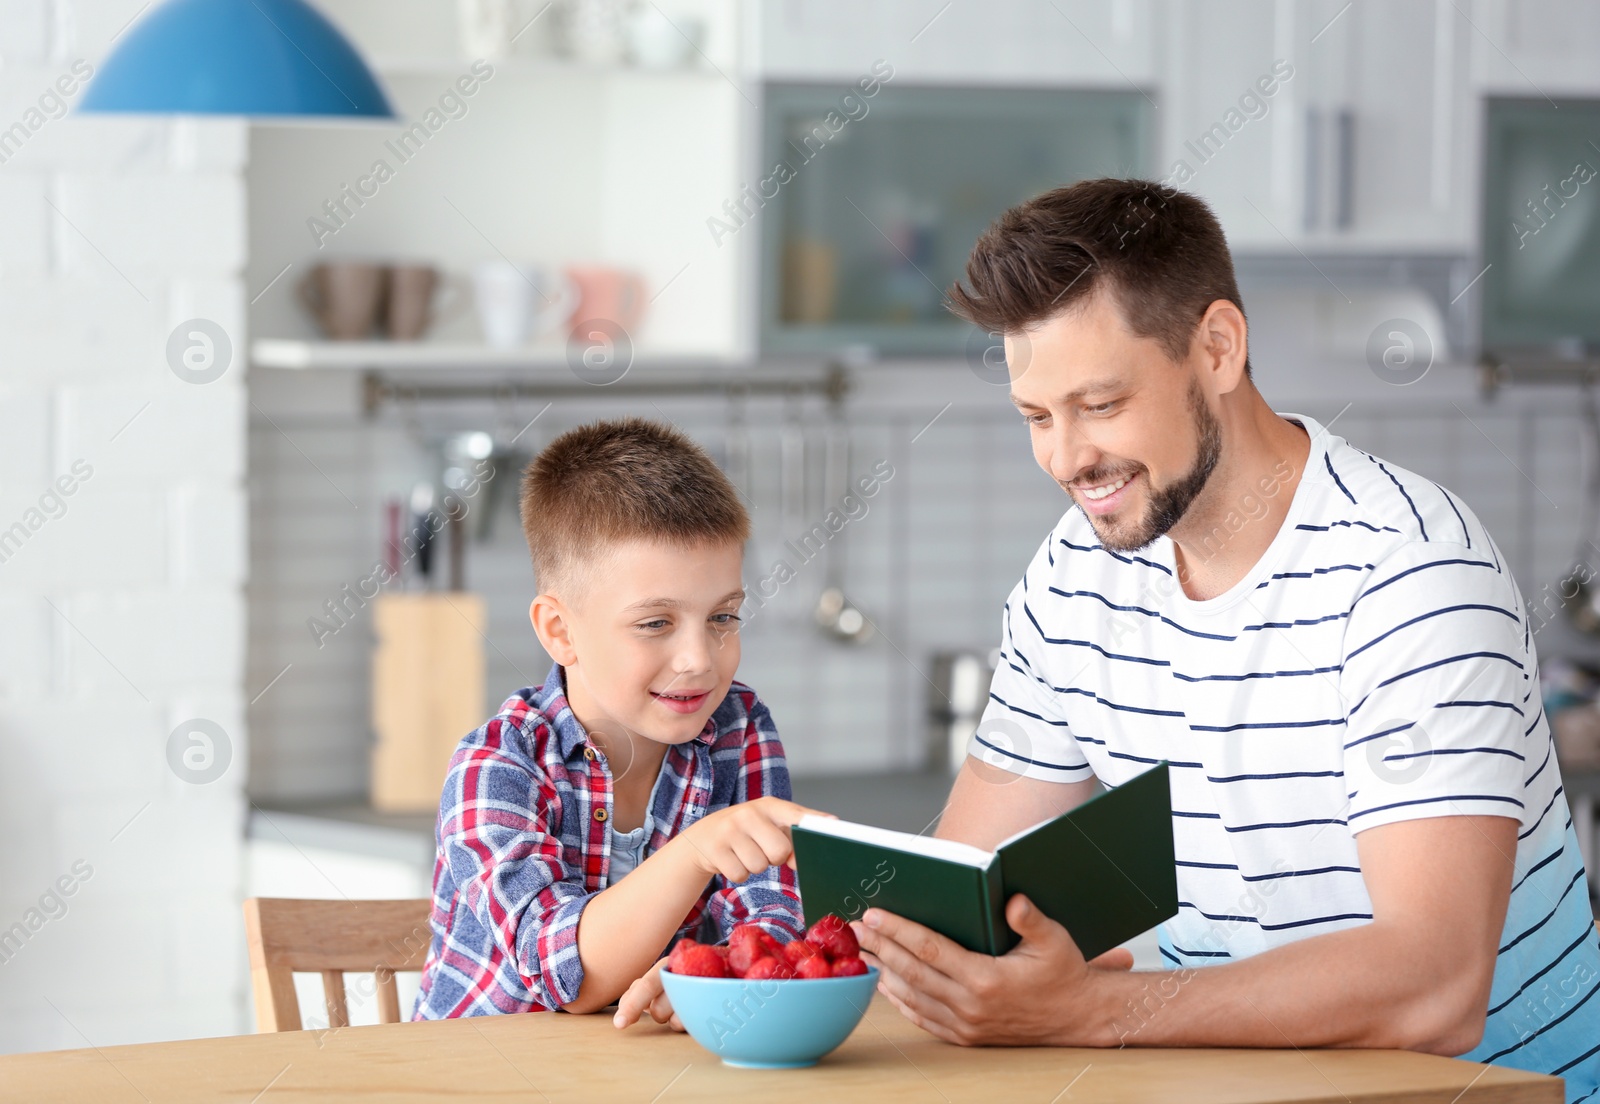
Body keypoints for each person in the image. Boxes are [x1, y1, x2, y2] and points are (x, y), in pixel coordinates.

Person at [852, 178, 1600, 1102]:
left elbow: (1438, 988)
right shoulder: (1074, 575)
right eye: (1036, 417)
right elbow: (961, 893)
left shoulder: (1406, 572)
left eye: (1101, 404)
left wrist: (1090, 1013)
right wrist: (745, 977)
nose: (1066, 459)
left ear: (1217, 348)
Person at [413, 418, 820, 1020]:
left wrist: (715, 979)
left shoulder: (741, 729)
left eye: (723, 618)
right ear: (560, 631)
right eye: (655, 623)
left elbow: (772, 925)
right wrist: (694, 852)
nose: (699, 659)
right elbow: (567, 980)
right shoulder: (497, 767)